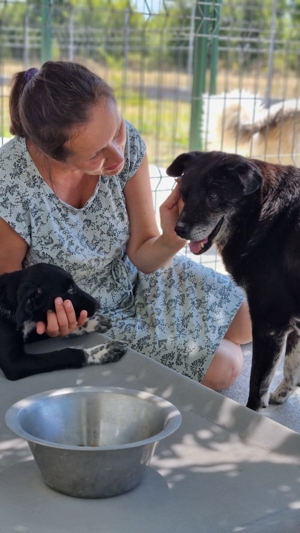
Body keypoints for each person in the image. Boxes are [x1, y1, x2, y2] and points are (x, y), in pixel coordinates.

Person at [0, 61, 252, 390]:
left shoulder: (124, 144)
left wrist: (175, 235)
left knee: (251, 318)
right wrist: (50, 323)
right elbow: (7, 297)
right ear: (53, 155)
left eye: (116, 130)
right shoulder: (10, 182)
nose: (118, 156)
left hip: (136, 276)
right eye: (95, 155)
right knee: (225, 368)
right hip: (86, 313)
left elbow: (143, 255)